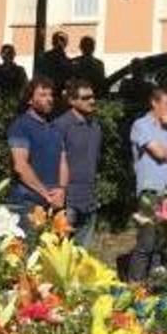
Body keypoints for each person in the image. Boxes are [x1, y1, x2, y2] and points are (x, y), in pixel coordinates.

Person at [128, 88, 167, 281]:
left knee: (164, 245)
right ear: (154, 103)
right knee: (147, 242)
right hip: (152, 191)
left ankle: (156, 287)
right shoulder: (141, 125)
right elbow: (159, 154)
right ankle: (135, 286)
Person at [6, 77, 68, 241]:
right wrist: (47, 194)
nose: (49, 99)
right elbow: (20, 165)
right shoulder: (20, 126)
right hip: (27, 204)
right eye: (42, 95)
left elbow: (62, 161)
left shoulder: (54, 128)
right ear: (29, 99)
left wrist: (61, 189)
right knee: (28, 257)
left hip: (53, 204)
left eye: (51, 95)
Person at [53, 78, 102, 251]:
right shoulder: (60, 126)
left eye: (92, 97)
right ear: (72, 101)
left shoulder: (95, 126)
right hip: (68, 200)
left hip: (88, 197)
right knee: (60, 251)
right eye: (85, 98)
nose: (92, 101)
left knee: (82, 253)